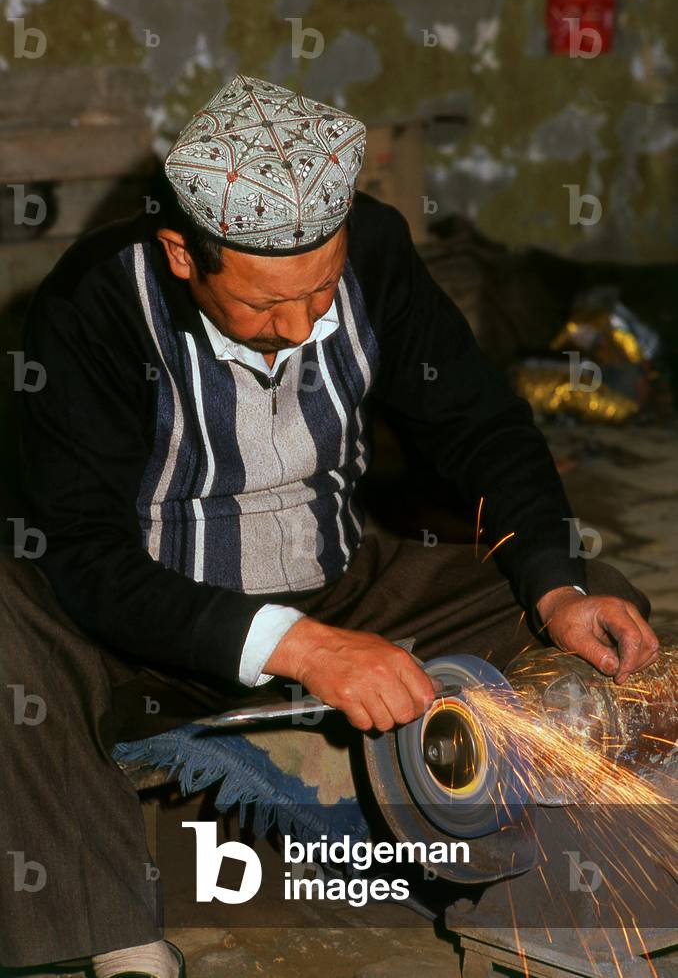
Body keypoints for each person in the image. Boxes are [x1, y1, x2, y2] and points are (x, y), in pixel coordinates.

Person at [1, 74, 658, 977]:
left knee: (598, 607)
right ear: (184, 254)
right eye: (268, 305)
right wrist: (304, 649)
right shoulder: (94, 309)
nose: (305, 321)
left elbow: (480, 425)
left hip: (344, 583)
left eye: (321, 289)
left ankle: (525, 869)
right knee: (8, 610)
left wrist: (554, 582)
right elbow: (85, 556)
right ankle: (112, 928)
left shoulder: (376, 252)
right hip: (149, 636)